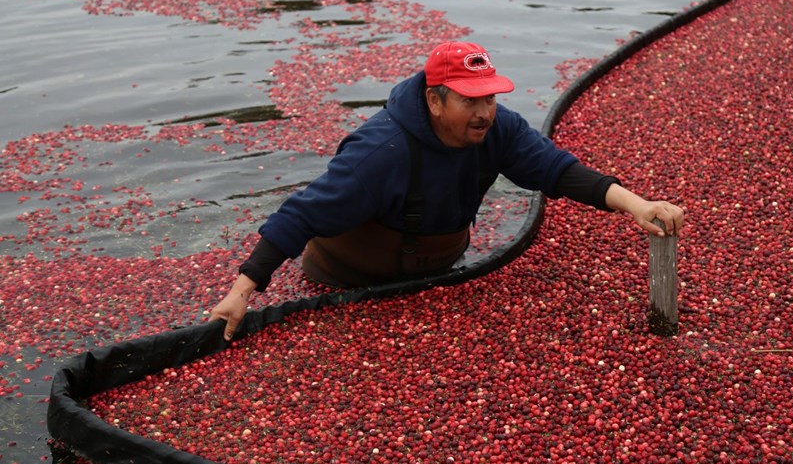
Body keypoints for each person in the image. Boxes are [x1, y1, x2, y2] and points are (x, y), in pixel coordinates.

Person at [209, 41, 684, 340]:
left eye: (491, 98)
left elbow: (558, 171)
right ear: (435, 101)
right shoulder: (381, 153)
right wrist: (242, 291)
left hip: (436, 272)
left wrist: (636, 205)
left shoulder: (499, 131)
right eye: (469, 100)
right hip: (347, 278)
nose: (484, 111)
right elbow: (301, 216)